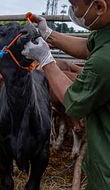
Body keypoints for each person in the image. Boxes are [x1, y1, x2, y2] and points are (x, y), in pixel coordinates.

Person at [21, 0, 110, 189]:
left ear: (100, 7)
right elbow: (88, 46)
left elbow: (74, 102)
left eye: (75, 5)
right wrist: (48, 34)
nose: (73, 10)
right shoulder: (105, 34)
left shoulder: (104, 61)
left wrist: (46, 60)